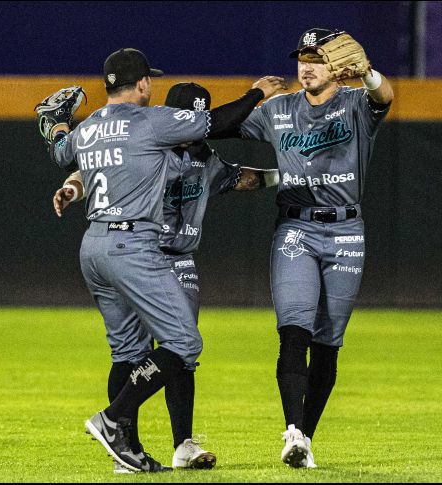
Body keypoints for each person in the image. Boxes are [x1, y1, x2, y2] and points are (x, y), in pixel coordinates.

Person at [44, 47, 285, 473]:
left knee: (128, 351)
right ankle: (112, 420)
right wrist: (256, 93)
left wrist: (58, 121)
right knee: (185, 344)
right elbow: (221, 122)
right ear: (141, 84)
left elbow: (63, 150)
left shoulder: (91, 128)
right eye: (147, 81)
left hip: (93, 246)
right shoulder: (150, 121)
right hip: (133, 246)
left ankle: (127, 453)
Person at [213, 27, 394, 468]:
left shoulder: (353, 104)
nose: (306, 66)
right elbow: (223, 124)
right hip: (296, 228)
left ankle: (304, 439)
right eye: (302, 58)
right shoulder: (280, 109)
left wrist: (367, 73)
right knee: (294, 330)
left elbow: (385, 97)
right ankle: (292, 429)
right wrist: (254, 95)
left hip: (346, 232)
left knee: (329, 342)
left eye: (316, 58)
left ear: (337, 65)